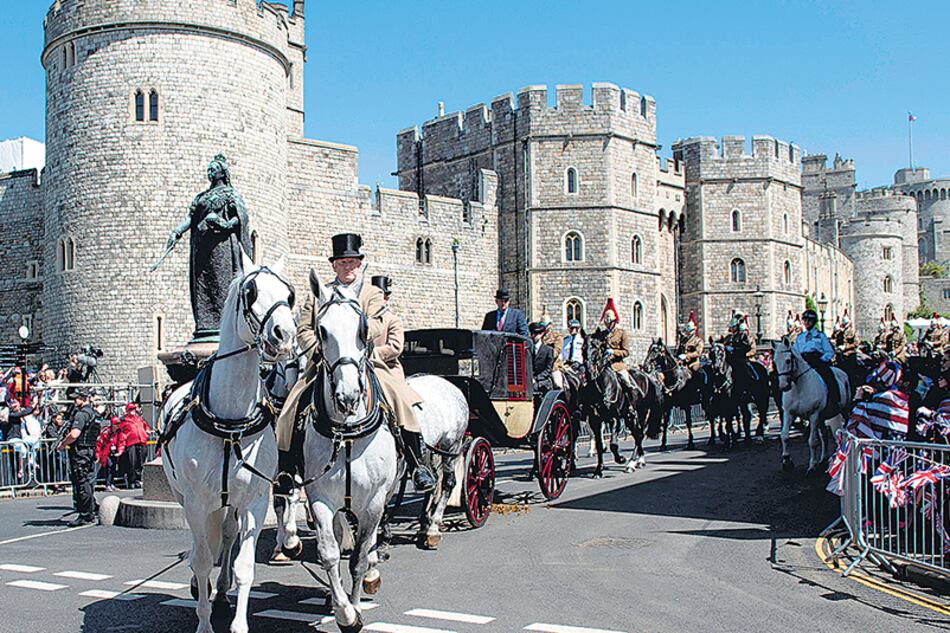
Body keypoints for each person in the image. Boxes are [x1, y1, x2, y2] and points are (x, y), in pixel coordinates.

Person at [276, 233, 436, 492]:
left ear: (359, 264)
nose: (348, 267)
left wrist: (354, 332)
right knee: (290, 408)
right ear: (334, 266)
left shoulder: (371, 293)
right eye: (342, 263)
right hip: (325, 362)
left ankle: (417, 464)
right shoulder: (318, 294)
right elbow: (304, 328)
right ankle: (286, 469)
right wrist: (317, 347)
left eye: (352, 262)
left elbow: (378, 322)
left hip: (366, 362)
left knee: (399, 399)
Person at [58, 388, 99, 526]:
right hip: (89, 451)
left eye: (77, 398)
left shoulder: (82, 414)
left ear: (84, 397)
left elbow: (74, 434)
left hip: (81, 452)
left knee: (82, 483)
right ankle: (90, 511)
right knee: (86, 481)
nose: (75, 400)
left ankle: (86, 515)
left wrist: (63, 443)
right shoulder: (93, 413)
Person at [792, 309, 841, 419]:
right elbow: (795, 352)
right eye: (805, 320)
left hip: (817, 361)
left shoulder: (820, 336)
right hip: (803, 362)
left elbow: (829, 351)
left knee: (829, 376)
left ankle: (834, 399)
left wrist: (822, 359)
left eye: (809, 320)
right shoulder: (800, 337)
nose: (806, 323)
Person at [116, 402, 150, 489]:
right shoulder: (124, 421)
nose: (132, 411)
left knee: (140, 462)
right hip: (131, 443)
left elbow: (146, 426)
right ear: (127, 410)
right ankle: (131, 480)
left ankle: (138, 480)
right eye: (130, 409)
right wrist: (121, 446)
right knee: (132, 463)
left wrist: (147, 432)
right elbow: (121, 433)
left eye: (133, 409)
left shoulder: (139, 419)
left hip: (142, 442)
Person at [529, 322, 555, 393]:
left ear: (541, 334)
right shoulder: (528, 349)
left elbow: (548, 369)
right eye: (532, 333)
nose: (533, 336)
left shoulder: (548, 350)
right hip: (529, 380)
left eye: (535, 334)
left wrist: (536, 378)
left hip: (543, 380)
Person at [540, 317, 564, 389]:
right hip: (539, 366)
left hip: (553, 366)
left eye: (545, 325)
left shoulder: (557, 336)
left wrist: (545, 357)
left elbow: (557, 351)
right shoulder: (539, 336)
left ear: (550, 325)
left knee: (557, 383)